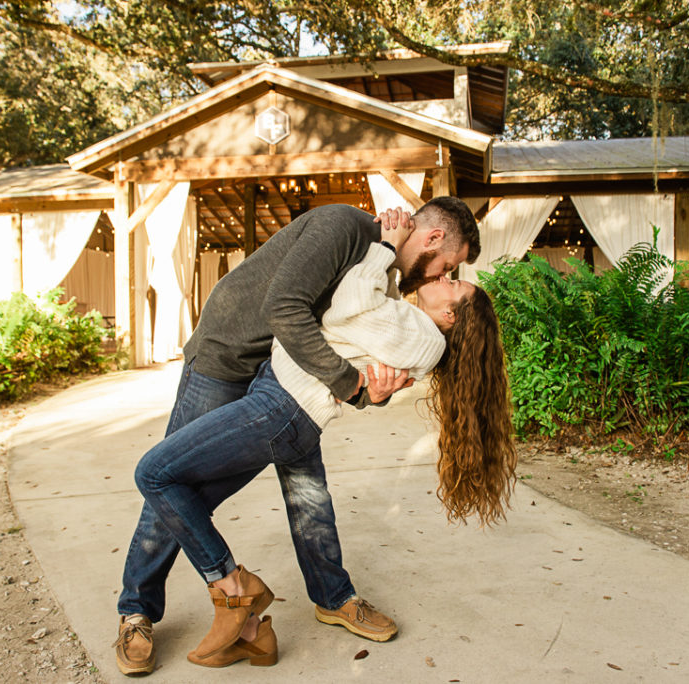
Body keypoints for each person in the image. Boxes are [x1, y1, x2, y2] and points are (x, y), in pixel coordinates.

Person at [130, 214, 516, 668]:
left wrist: (364, 386)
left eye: (452, 281)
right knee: (277, 499)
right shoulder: (350, 234)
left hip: (284, 400)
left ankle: (253, 594)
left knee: (173, 480)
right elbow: (306, 315)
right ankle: (141, 612)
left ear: (451, 315)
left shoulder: (417, 324)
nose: (443, 276)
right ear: (432, 239)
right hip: (232, 361)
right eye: (449, 267)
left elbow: (350, 324)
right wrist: (359, 384)